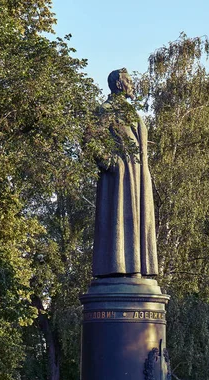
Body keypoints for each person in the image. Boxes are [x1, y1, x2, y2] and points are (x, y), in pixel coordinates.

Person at [92, 68, 158, 277]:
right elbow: (90, 139)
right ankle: (118, 269)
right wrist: (111, 163)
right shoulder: (106, 110)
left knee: (137, 222)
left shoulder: (130, 113)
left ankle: (138, 269)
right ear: (120, 84)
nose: (133, 85)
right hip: (120, 178)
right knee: (120, 220)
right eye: (129, 81)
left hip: (138, 177)